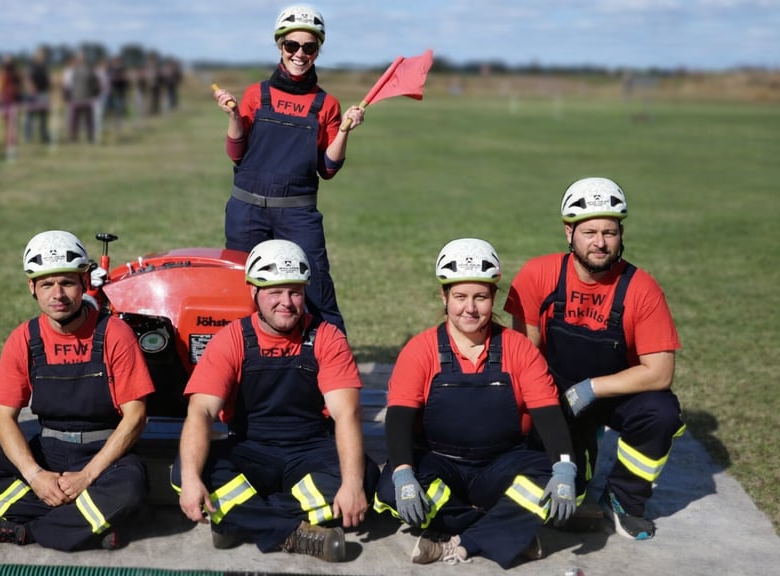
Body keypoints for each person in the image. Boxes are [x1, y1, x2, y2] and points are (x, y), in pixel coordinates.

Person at [374, 238, 577, 568]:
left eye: (480, 297)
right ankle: (505, 529)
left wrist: (565, 468)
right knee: (388, 489)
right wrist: (402, 474)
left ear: (493, 297)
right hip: (440, 464)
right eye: (460, 297)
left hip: (501, 466)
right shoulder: (420, 350)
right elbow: (398, 418)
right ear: (444, 296)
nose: (470, 308)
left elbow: (548, 413)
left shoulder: (520, 349)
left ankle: (460, 540)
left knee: (556, 475)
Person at [0, 231, 154, 551]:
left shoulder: (115, 333)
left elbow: (136, 417)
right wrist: (35, 476)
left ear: (84, 281)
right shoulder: (24, 339)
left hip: (105, 456)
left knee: (131, 491)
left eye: (67, 283)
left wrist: (86, 476)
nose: (57, 294)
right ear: (32, 287)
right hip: (48, 451)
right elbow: (4, 418)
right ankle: (89, 521)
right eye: (46, 284)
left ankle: (24, 531)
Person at [504, 177, 684, 541]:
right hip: (553, 394)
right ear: (569, 233)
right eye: (589, 232)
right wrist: (546, 411)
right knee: (562, 501)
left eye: (609, 232)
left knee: (661, 412)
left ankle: (623, 499)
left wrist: (591, 389)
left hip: (615, 394)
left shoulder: (641, 289)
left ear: (621, 234)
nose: (600, 243)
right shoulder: (538, 275)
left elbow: (660, 373)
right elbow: (524, 357)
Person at [174, 239, 376, 563]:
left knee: (362, 475)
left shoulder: (327, 337)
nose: (287, 303)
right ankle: (296, 533)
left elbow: (347, 414)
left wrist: (351, 484)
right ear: (253, 292)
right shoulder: (232, 339)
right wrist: (191, 480)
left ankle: (239, 520)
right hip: (249, 449)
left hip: (311, 448)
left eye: (295, 292)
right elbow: (201, 410)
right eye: (274, 292)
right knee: (185, 471)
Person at [212, 4, 364, 334]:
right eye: (292, 45)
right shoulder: (256, 94)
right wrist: (234, 117)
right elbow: (237, 154)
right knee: (244, 293)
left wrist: (345, 131)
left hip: (298, 216)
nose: (300, 54)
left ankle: (332, 372)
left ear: (318, 50)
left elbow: (328, 168)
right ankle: (247, 365)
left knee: (317, 293)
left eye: (309, 47)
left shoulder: (327, 105)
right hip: (246, 212)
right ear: (280, 46)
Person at [23, 47, 51, 144]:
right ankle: (28, 136)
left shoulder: (44, 66)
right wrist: (32, 89)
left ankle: (44, 136)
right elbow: (28, 78)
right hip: (33, 94)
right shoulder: (32, 65)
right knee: (30, 116)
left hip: (43, 93)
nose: (44, 57)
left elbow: (47, 79)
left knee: (44, 116)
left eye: (44, 56)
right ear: (37, 56)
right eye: (42, 55)